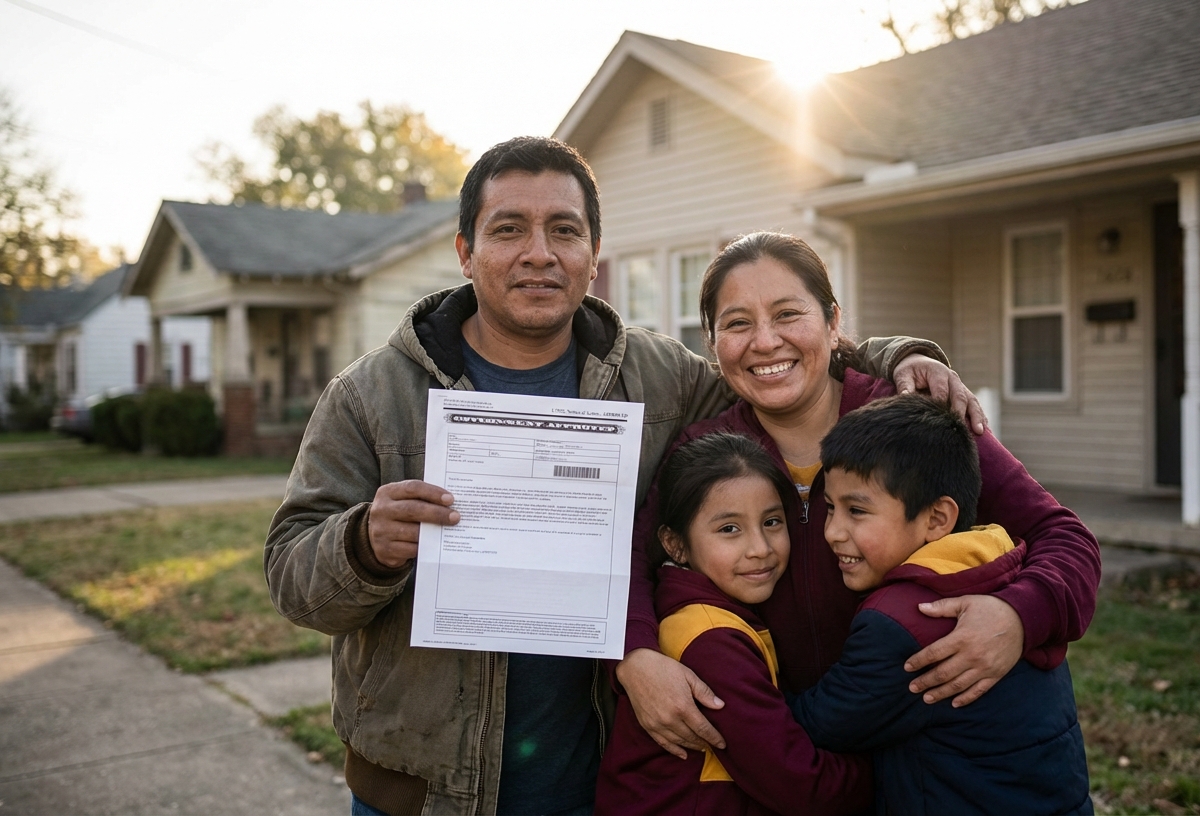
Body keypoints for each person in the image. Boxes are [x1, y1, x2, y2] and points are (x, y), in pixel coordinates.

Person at [264, 137, 974, 816]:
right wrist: (364, 544)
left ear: (592, 253)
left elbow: (776, 359)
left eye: (564, 231)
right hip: (418, 793)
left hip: (596, 780)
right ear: (465, 252)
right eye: (509, 229)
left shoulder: (658, 377)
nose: (539, 253)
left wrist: (895, 355)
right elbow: (292, 576)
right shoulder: (371, 395)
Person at [619, 232, 1101, 761]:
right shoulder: (706, 450)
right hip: (790, 759)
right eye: (737, 323)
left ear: (831, 321)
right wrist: (634, 655)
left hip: (931, 760)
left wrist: (1017, 617)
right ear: (712, 344)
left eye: (787, 314)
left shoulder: (913, 418)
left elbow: (1064, 536)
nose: (764, 341)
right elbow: (633, 563)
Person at [787, 394, 1092, 814]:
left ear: (936, 519)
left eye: (856, 511)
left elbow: (815, 725)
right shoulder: (1005, 564)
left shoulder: (902, 624)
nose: (833, 532)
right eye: (829, 509)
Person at [596, 433, 871, 815]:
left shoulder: (715, 615)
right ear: (675, 545)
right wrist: (890, 770)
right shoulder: (709, 639)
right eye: (729, 529)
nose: (760, 547)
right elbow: (798, 783)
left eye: (772, 522)